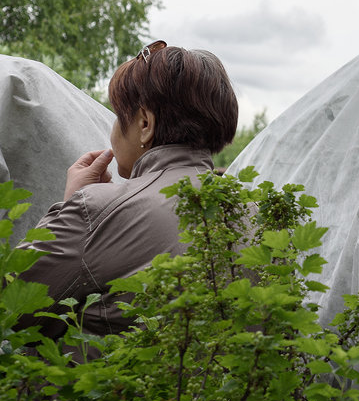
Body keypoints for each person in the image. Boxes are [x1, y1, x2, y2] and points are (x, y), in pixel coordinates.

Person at [18, 40, 238, 343]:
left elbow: (12, 307)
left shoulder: (98, 211)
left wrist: (73, 206)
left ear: (145, 124)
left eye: (117, 115)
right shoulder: (258, 213)